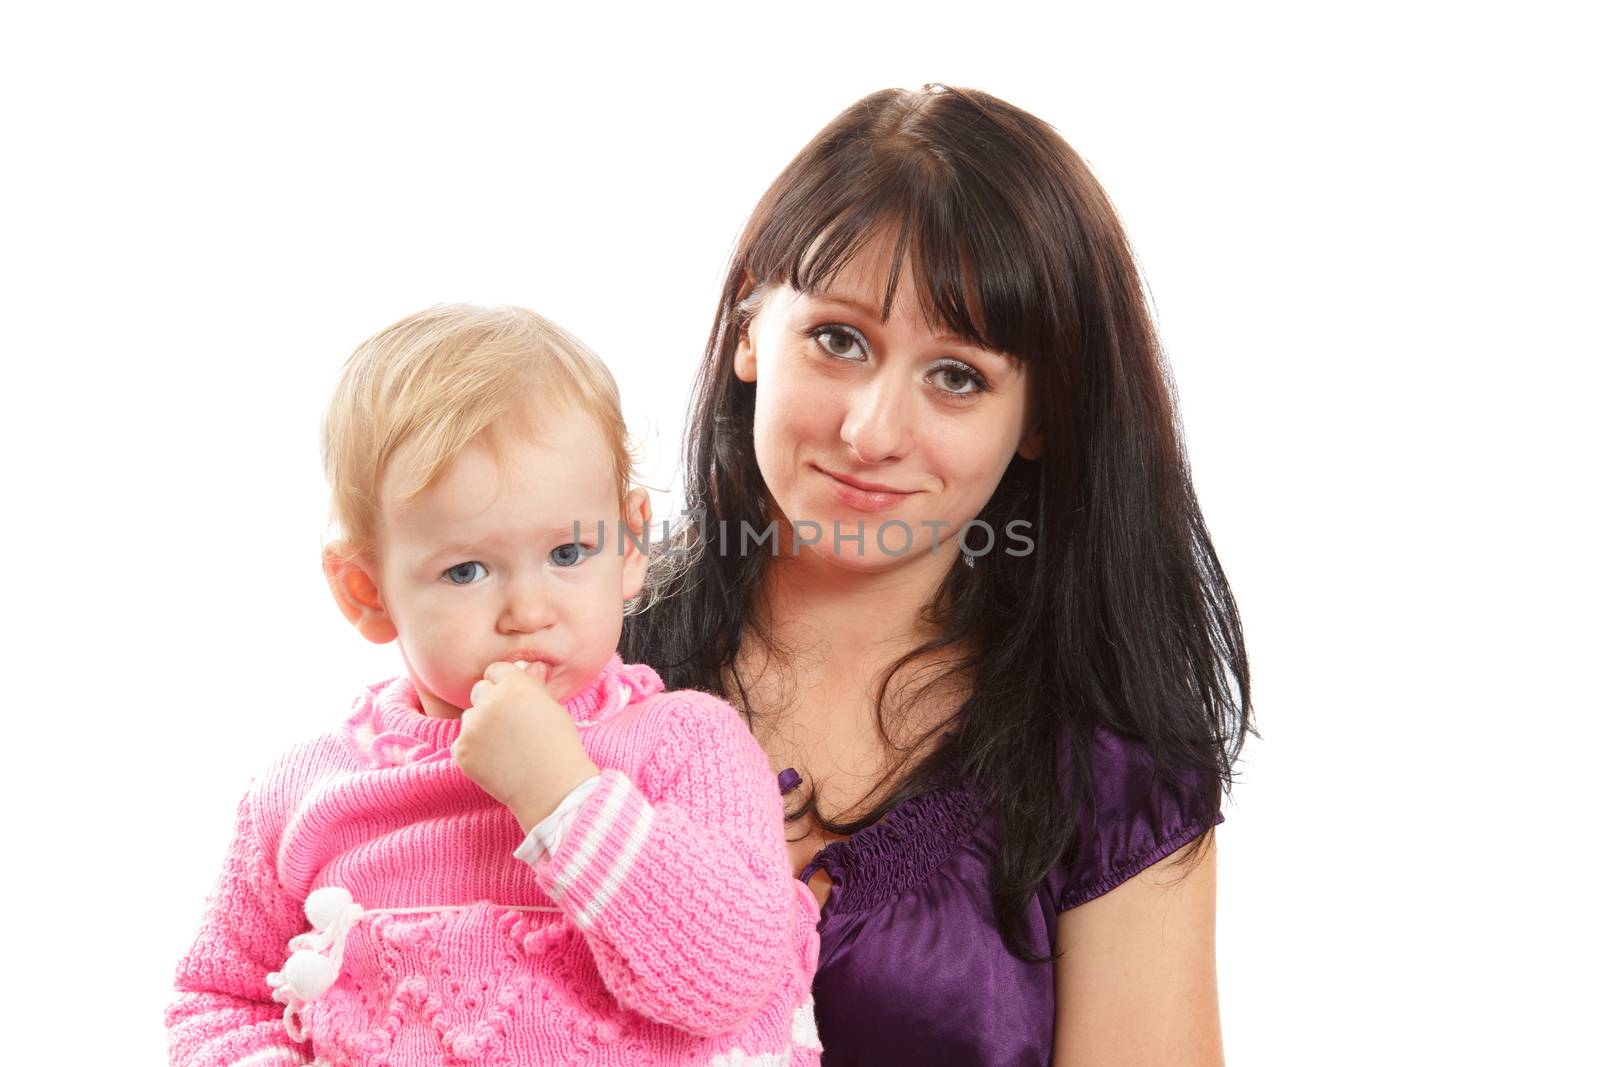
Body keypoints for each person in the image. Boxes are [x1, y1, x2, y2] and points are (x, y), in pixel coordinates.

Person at [621, 84, 1253, 1065]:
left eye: (955, 375)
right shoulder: (569, 657)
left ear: (1039, 419)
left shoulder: (1111, 774)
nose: (871, 431)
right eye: (838, 339)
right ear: (750, 326)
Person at [166, 305, 823, 1066]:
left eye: (570, 551)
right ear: (365, 590)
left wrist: (563, 796)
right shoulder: (307, 792)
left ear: (631, 542)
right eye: (466, 570)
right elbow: (219, 997)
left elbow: (727, 977)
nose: (528, 610)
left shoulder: (686, 745)